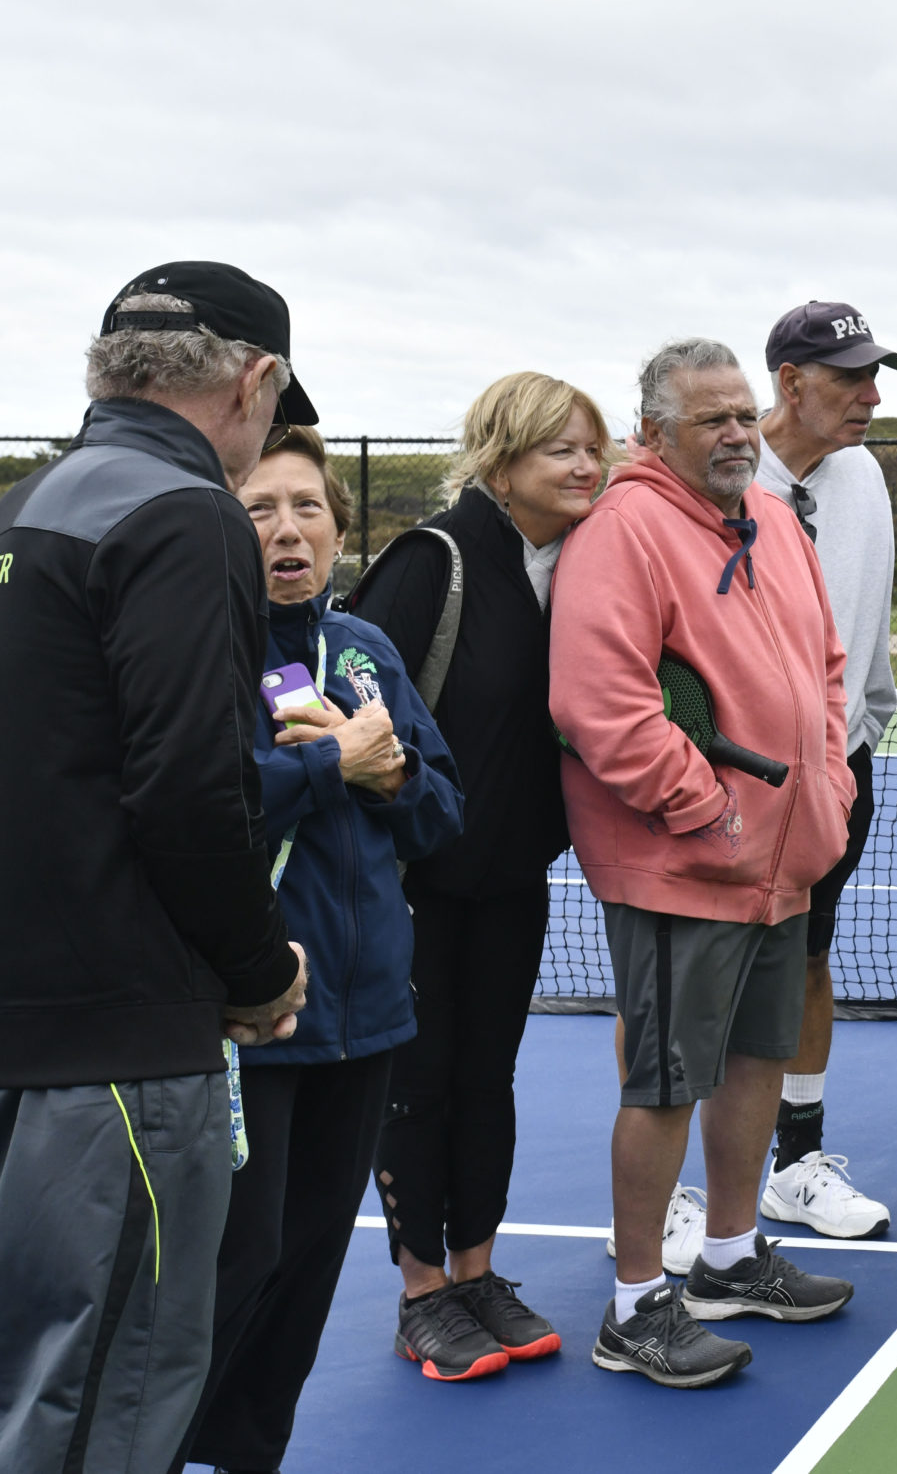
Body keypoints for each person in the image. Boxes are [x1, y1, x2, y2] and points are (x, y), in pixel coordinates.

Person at [0, 262, 312, 1474]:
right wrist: (255, 967)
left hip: (32, 1032)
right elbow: (190, 787)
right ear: (255, 378)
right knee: (105, 1399)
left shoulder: (27, 507)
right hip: (122, 1055)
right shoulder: (181, 516)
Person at [552, 339, 858, 1388]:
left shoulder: (774, 519)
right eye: (710, 420)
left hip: (784, 865)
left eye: (741, 415)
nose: (736, 434)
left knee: (756, 1062)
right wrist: (709, 814)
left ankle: (728, 1259)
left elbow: (825, 666)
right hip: (682, 870)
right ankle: (637, 1305)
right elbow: (601, 704)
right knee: (665, 1084)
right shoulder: (624, 529)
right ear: (655, 433)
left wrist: (829, 788)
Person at [179, 428, 465, 1462]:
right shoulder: (198, 650)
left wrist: (387, 775)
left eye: (307, 508)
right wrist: (330, 762)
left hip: (368, 1023)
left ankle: (250, 1455)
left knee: (302, 1279)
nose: (285, 530)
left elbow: (439, 817)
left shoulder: (369, 653)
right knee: (230, 1268)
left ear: (340, 534)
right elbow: (200, 809)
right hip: (251, 1023)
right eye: (259, 508)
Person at [350, 371, 615, 1374]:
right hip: (413, 882)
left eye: (593, 447)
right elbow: (362, 711)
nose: (586, 466)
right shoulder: (435, 562)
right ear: (501, 462)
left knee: (487, 1079)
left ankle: (476, 1273)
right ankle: (422, 1291)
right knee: (417, 1086)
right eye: (561, 449)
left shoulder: (575, 567)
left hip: (510, 881)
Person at [751, 302, 897, 1242]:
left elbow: (868, 616)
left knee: (810, 959)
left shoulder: (866, 476)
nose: (871, 396)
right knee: (710, 985)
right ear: (789, 382)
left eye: (874, 375)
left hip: (837, 772)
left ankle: (796, 1161)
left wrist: (860, 736)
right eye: (849, 377)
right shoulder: (724, 474)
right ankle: (683, 1187)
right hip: (735, 787)